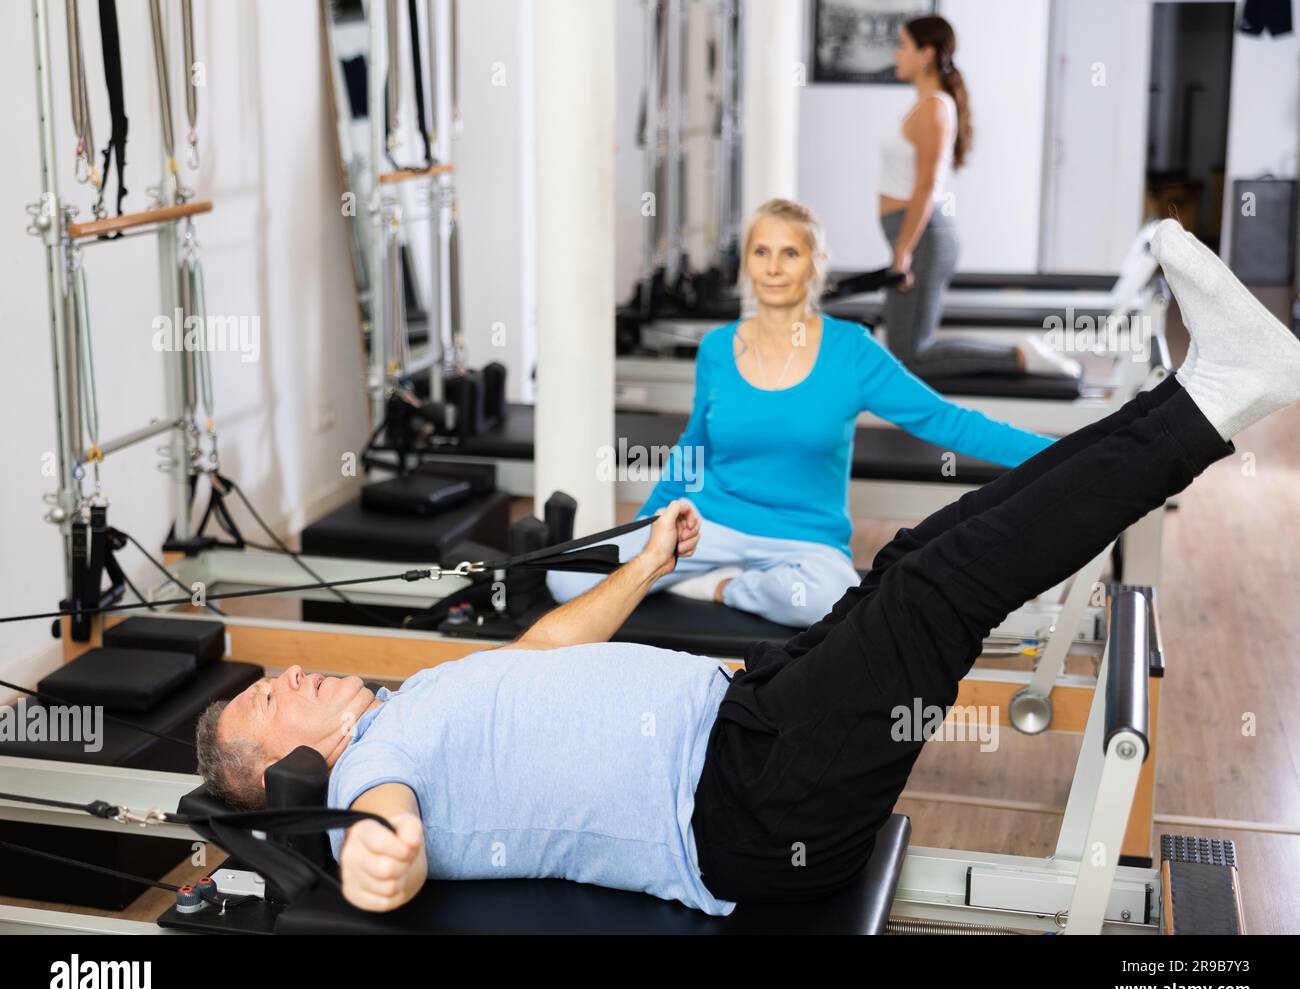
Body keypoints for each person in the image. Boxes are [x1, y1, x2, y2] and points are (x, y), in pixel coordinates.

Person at [195, 219, 1300, 915]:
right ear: (282, 767)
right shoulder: (355, 779)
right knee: (938, 589)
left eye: (271, 674)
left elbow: (542, 647)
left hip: (747, 719)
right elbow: (380, 841)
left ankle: (1204, 392)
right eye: (268, 701)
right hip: (752, 803)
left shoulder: (415, 701)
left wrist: (646, 566)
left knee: (918, 558)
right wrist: (371, 859)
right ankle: (1219, 396)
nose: (282, 677)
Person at [546, 198, 1056, 629]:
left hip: (804, 539)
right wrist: (646, 530)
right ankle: (705, 575)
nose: (772, 267)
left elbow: (946, 421)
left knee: (830, 602)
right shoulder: (719, 348)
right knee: (565, 577)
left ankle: (723, 588)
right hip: (708, 523)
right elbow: (693, 448)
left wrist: (1056, 452)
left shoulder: (850, 351)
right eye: (761, 252)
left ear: (816, 263)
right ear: (746, 262)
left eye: (790, 253)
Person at [879, 15, 1081, 380]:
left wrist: (903, 251)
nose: (896, 54)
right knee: (907, 351)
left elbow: (925, 188)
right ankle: (1020, 354)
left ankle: (1020, 356)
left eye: (902, 46)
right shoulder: (925, 104)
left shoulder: (933, 109)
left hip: (921, 239)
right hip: (916, 236)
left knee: (912, 356)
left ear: (925, 54)